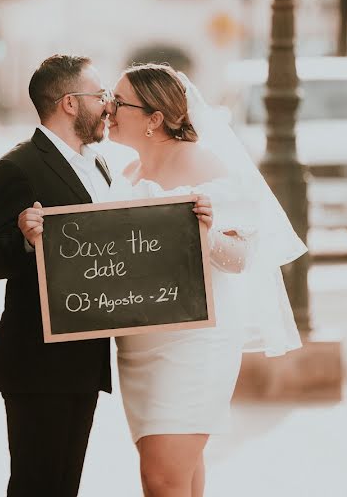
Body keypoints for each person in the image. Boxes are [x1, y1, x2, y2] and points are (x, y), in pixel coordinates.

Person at [105, 63, 307, 497]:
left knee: (161, 477)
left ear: (154, 119)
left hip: (194, 341)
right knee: (178, 475)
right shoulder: (126, 177)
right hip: (139, 348)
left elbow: (239, 258)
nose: (109, 109)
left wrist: (205, 233)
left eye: (119, 102)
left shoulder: (205, 164)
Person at [0, 54, 117, 497]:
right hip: (36, 361)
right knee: (35, 486)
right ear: (71, 103)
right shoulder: (16, 168)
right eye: (101, 96)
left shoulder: (99, 166)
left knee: (65, 486)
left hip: (85, 359)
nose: (108, 105)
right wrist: (23, 240)